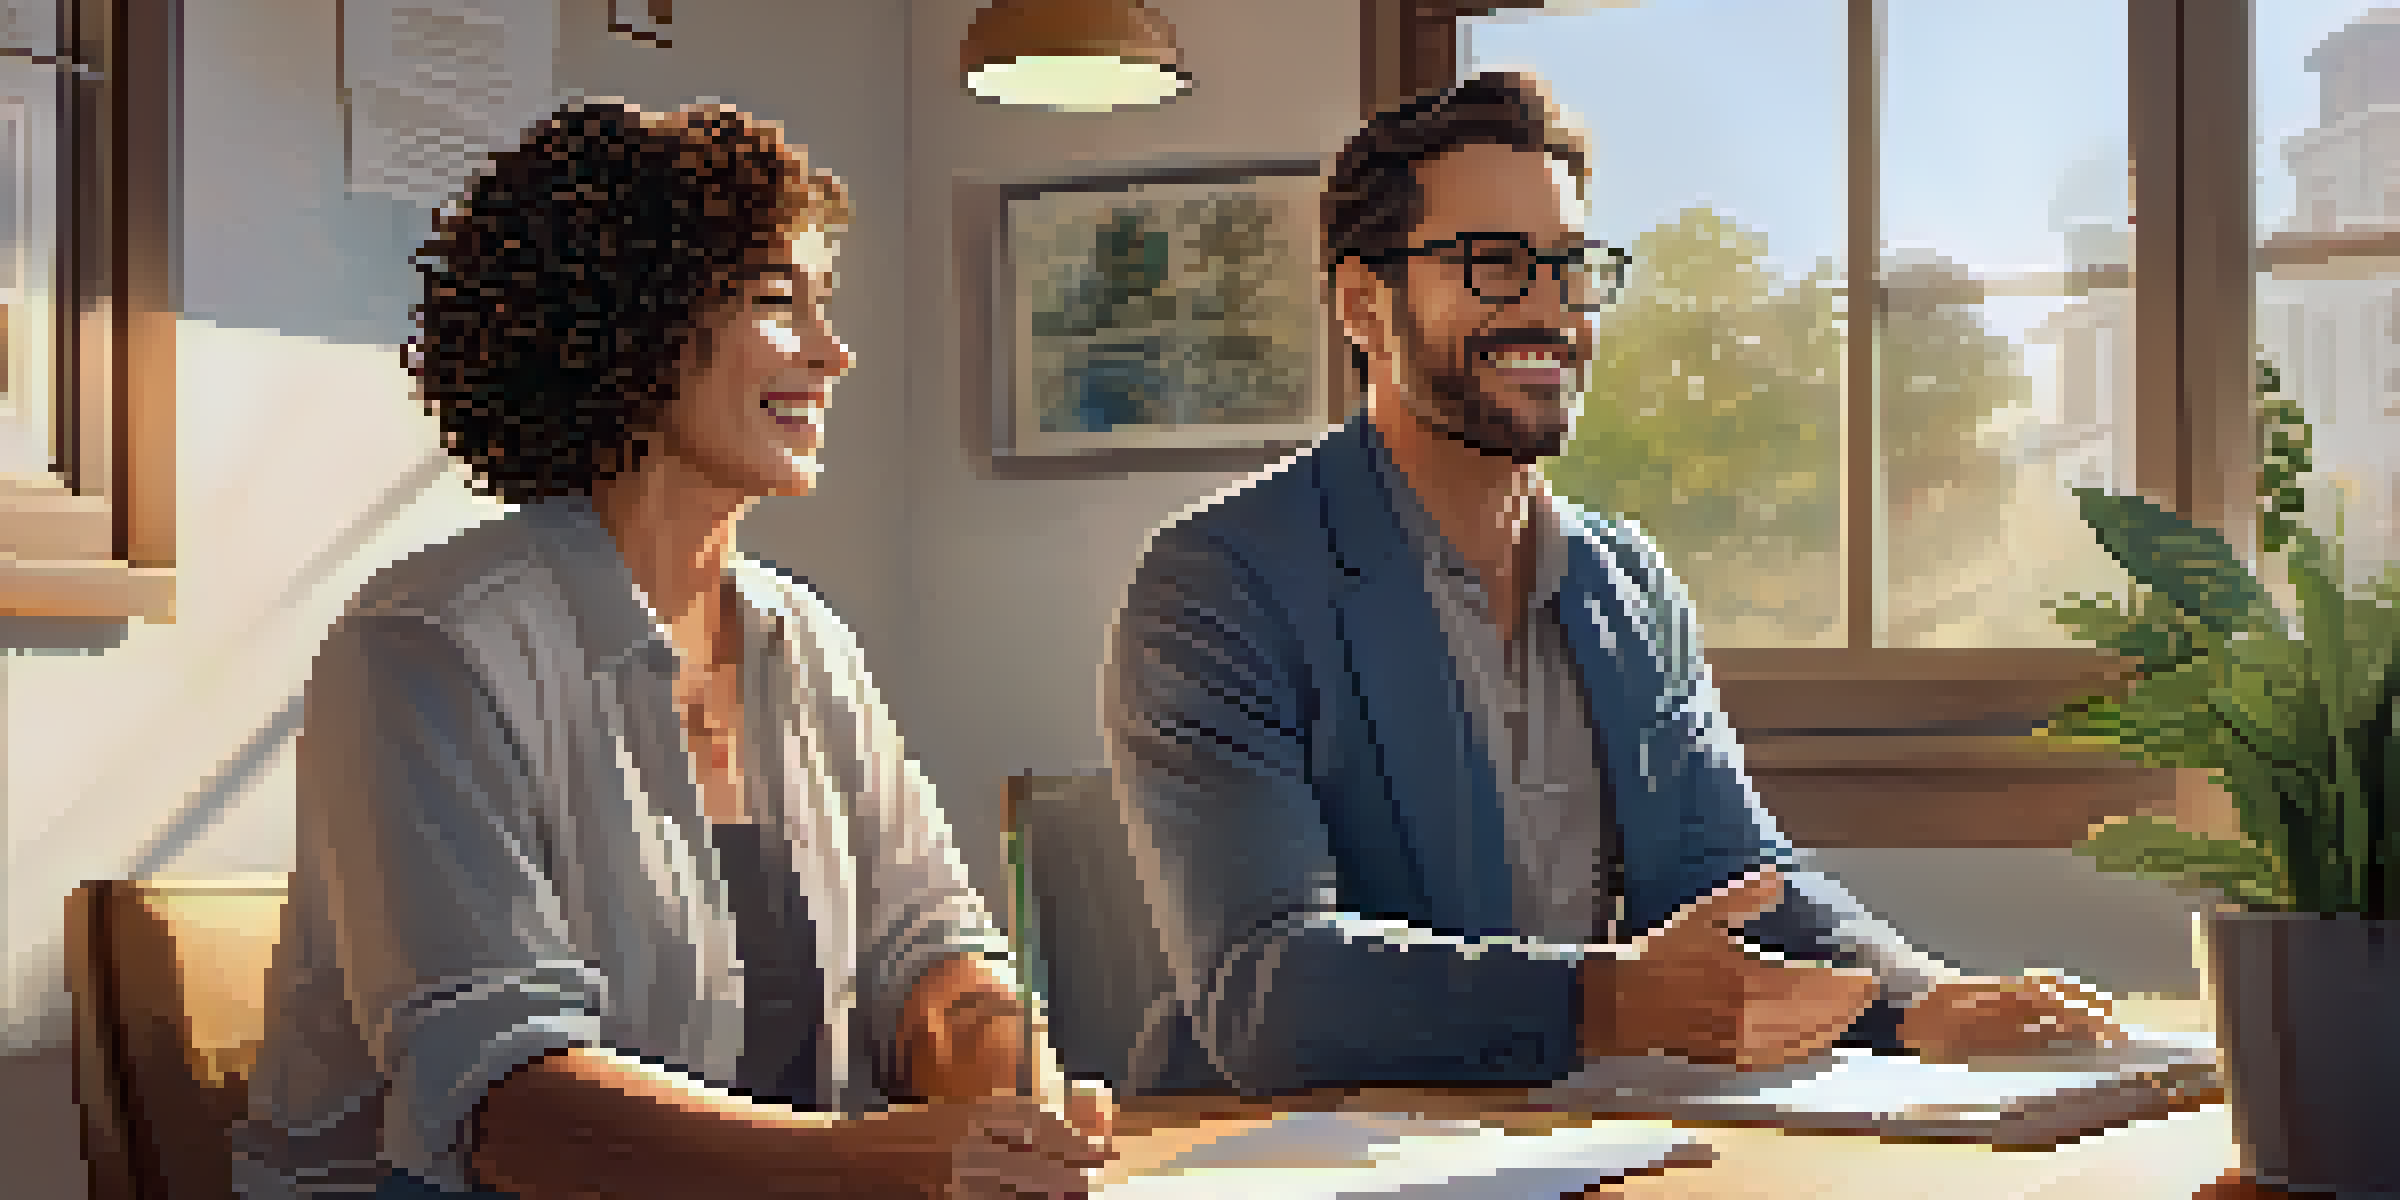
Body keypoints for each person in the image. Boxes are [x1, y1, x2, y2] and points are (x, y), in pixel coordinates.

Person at [1100, 71, 2125, 1098]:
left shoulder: (1626, 581)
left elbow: (1743, 877)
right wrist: (1609, 1002)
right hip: (1265, 1155)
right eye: (1494, 265)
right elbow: (1267, 991)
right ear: (1364, 304)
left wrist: (1917, 999)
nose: (1551, 308)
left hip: (1552, 1137)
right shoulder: (1218, 585)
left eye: (1570, 265)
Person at [233, 100, 1109, 1199]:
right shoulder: (429, 646)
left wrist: (1001, 1072)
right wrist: (861, 1164)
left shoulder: (807, 643)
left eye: (823, 308)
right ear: (630, 324)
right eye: (777, 304)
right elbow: (506, 1108)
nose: (833, 356)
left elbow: (925, 952)